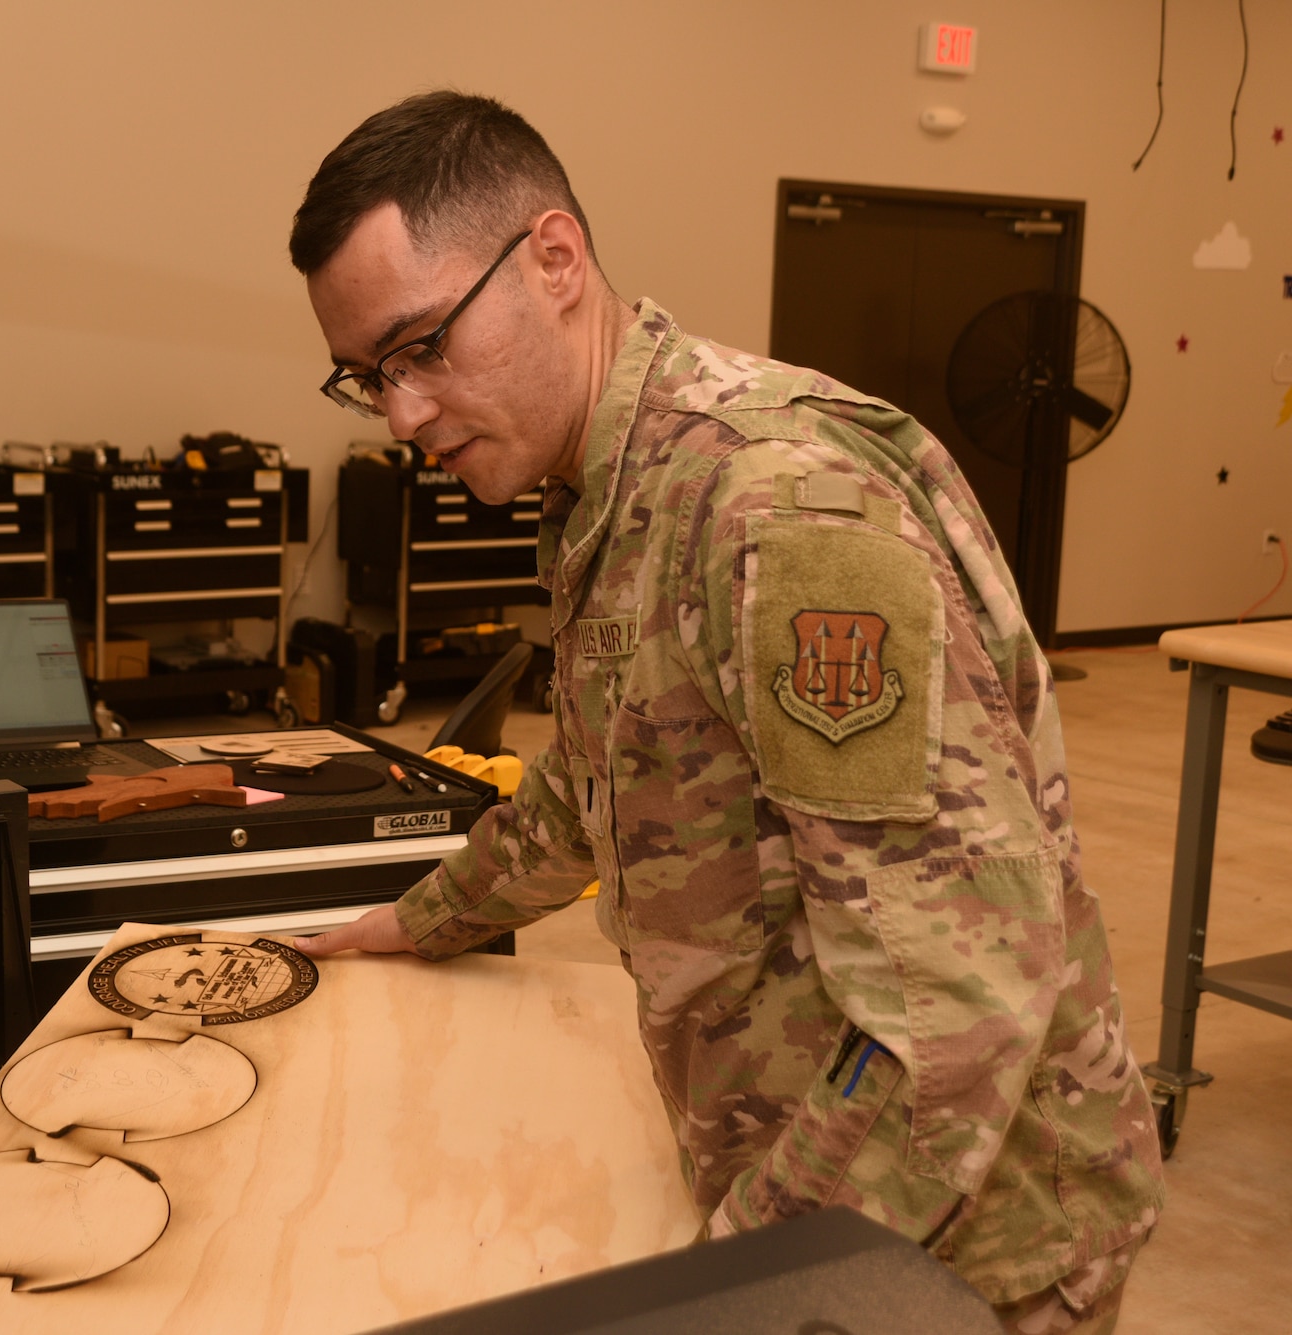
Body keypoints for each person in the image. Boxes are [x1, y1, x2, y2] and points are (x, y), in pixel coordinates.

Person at [288, 91, 1163, 1333]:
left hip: (962, 1245)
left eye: (420, 347)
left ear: (552, 261)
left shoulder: (778, 506)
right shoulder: (605, 481)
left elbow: (953, 1013)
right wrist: (415, 921)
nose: (401, 414)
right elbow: (598, 784)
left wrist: (725, 1289)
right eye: (367, 376)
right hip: (817, 1195)